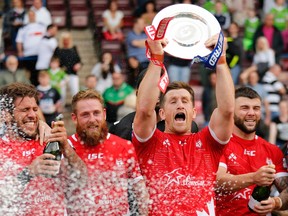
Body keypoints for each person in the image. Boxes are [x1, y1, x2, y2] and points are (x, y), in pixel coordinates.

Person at [132, 32, 235, 214]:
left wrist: (221, 61)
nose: (180, 104)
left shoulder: (208, 143)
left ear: (194, 112)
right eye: (173, 101)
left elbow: (227, 111)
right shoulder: (149, 143)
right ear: (162, 113)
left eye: (185, 101)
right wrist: (156, 59)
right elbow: (144, 110)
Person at [0, 82, 87, 215]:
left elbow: (83, 178)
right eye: (24, 110)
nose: (32, 115)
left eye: (35, 109)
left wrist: (66, 147)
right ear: (6, 114)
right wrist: (28, 173)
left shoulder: (49, 140)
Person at [66, 89, 149, 215]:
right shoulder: (65, 148)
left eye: (96, 113)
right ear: (74, 118)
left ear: (104, 114)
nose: (92, 119)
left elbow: (140, 192)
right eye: (85, 115)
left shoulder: (124, 146)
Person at [215, 86, 288, 215]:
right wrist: (254, 178)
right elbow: (216, 182)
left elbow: (285, 189)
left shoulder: (273, 151)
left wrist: (276, 202)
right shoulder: (219, 145)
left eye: (256, 108)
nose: (251, 113)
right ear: (232, 111)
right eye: (244, 108)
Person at [109, 68, 199, 141]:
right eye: (151, 90)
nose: (157, 93)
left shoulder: (188, 126)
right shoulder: (122, 129)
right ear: (137, 94)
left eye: (161, 87)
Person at [16, 9, 46, 86]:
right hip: (28, 55)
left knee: (41, 74)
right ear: (28, 16)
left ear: (35, 16)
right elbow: (19, 41)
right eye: (30, 15)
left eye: (33, 15)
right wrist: (20, 51)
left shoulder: (42, 26)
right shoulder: (23, 28)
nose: (31, 17)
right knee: (31, 75)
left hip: (41, 55)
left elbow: (47, 38)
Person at [53, 31, 82, 97]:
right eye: (64, 40)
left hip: (72, 73)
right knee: (61, 94)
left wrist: (78, 65)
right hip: (61, 74)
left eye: (67, 40)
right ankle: (61, 106)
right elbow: (54, 60)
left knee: (75, 92)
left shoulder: (74, 48)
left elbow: (79, 60)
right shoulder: (58, 49)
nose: (66, 41)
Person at [125, 17, 149, 87]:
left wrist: (143, 42)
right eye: (142, 23)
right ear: (135, 24)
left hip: (147, 61)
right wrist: (146, 42)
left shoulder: (144, 35)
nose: (144, 25)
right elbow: (135, 43)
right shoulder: (130, 35)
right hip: (137, 61)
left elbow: (151, 42)